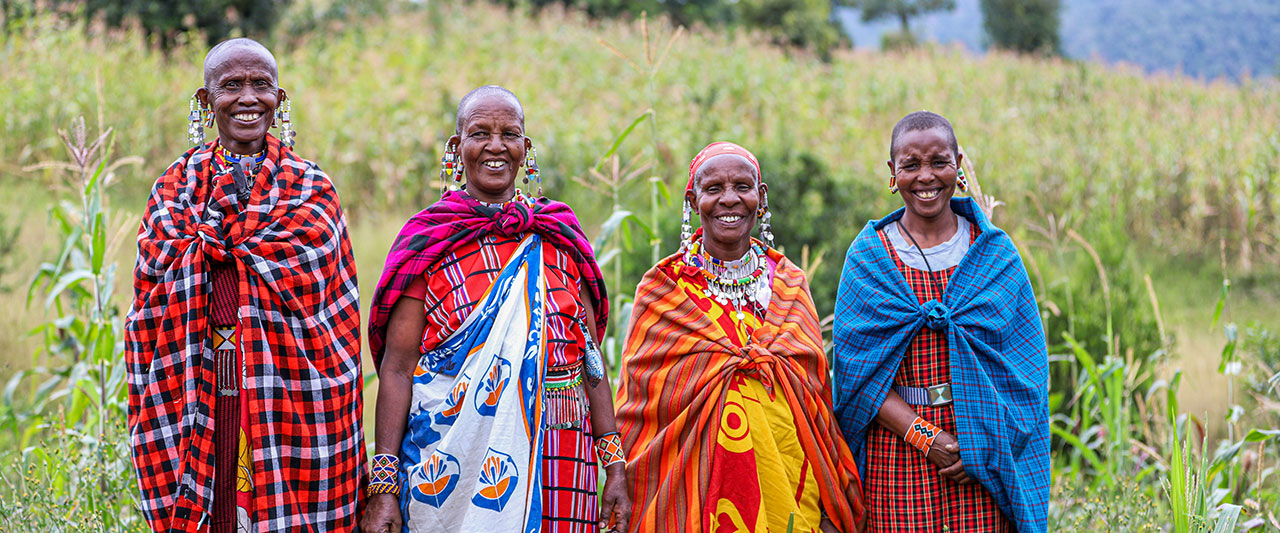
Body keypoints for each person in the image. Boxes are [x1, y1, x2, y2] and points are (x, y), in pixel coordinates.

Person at [361, 85, 632, 533]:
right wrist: (385, 486)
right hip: (451, 464)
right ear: (457, 147)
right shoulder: (429, 240)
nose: (495, 146)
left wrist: (615, 466)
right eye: (479, 133)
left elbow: (591, 360)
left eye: (509, 134)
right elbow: (396, 369)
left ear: (526, 149)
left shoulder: (557, 236)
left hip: (562, 457)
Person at [125, 38, 364, 532]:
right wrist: (210, 250)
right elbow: (149, 299)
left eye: (261, 85)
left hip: (292, 394)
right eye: (231, 86)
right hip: (194, 388)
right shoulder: (174, 187)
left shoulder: (310, 188)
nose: (248, 98)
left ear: (280, 98)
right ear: (205, 101)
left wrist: (217, 244)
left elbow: (333, 315)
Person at [615, 142, 866, 533]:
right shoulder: (663, 290)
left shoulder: (788, 283)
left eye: (742, 187)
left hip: (790, 479)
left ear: (760, 197)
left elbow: (814, 397)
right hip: (693, 488)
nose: (729, 199)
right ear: (693, 199)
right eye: (713, 189)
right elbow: (642, 405)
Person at [831, 111, 1049, 532]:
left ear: (959, 165)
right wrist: (926, 438)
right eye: (910, 165)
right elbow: (858, 377)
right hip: (896, 453)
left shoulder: (995, 255)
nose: (925, 176)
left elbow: (1027, 372)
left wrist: (982, 447)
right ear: (892, 173)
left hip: (985, 454)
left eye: (939, 162)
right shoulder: (868, 259)